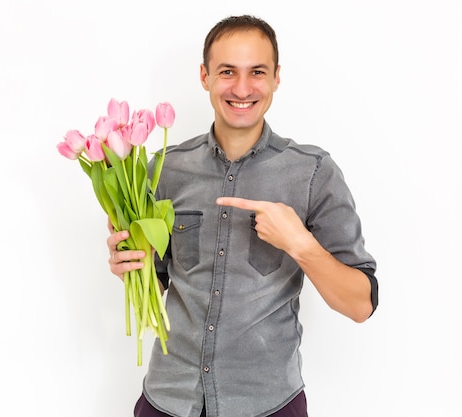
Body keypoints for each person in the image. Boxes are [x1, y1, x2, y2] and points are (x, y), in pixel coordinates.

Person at [107, 15, 378, 417]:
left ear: (276, 78)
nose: (242, 88)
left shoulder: (313, 173)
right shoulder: (163, 168)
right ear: (205, 76)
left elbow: (360, 305)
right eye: (227, 71)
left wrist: (299, 244)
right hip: (169, 398)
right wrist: (131, 265)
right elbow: (159, 282)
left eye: (257, 72)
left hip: (268, 404)